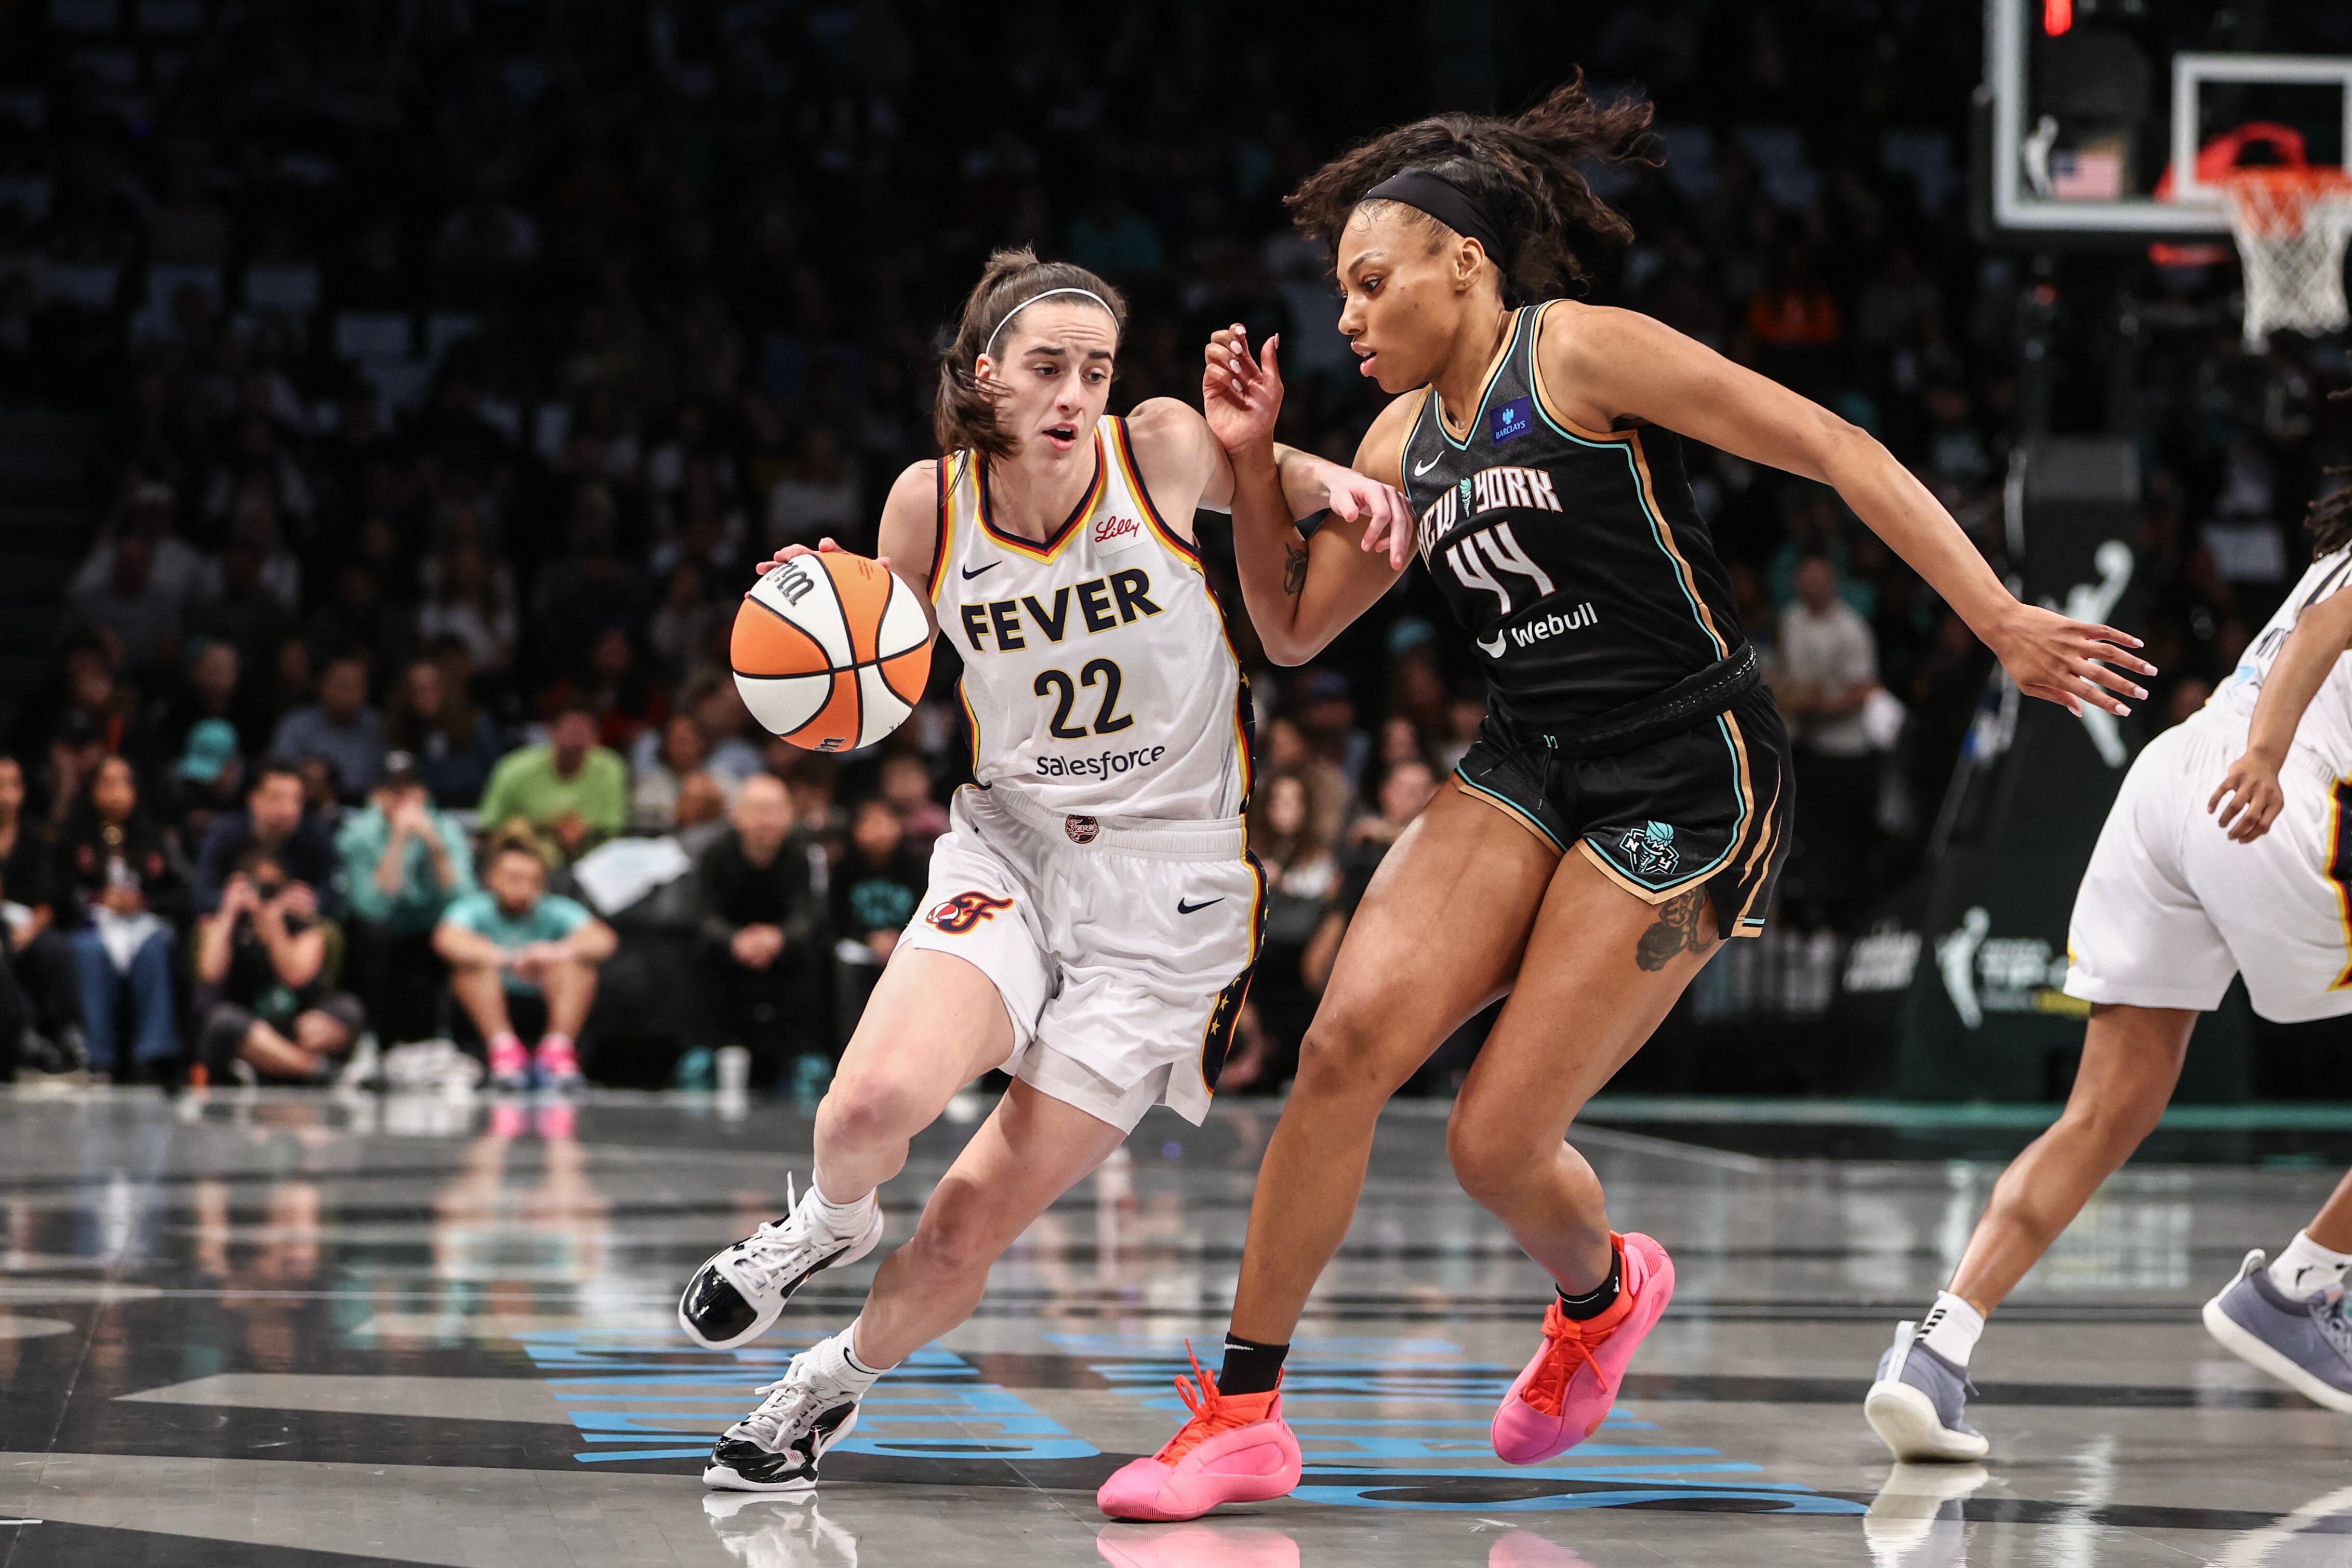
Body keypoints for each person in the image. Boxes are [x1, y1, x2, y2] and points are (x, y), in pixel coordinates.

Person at [1100, 79, 2150, 1521]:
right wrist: (1246, 466)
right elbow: (1288, 630)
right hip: (1530, 754)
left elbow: (1830, 446)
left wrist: (1995, 618)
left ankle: (1597, 1298)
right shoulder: (1396, 441)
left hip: (1688, 758)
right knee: (1342, 1040)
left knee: (1489, 1145)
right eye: (1334, 290)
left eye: (1367, 278)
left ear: (1461, 261)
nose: (1342, 314)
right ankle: (1240, 1412)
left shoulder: (1580, 353)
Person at [675, 247, 1396, 1494]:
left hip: (1167, 904)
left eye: (1096, 368)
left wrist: (1336, 479)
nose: (1076, 393)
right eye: (1048, 367)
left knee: (963, 1226)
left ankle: (823, 1386)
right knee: (860, 1112)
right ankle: (827, 1224)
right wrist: (809, 619)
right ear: (984, 375)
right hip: (1009, 846)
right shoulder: (927, 504)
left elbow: (1267, 472)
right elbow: (871, 682)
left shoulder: (1157, 447)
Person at [1865, 480, 2352, 1459]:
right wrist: (2264, 757)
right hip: (2267, 792)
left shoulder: (2329, 553)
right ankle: (2300, 1285)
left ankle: (1936, 1349)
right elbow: (2323, 637)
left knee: (2102, 1109)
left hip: (2173, 779)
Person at [433, 837, 617, 1091]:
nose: (524, 889)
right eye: (514, 878)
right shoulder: (474, 909)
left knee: (578, 965)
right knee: (472, 965)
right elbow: (447, 940)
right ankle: (505, 1052)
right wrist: (507, 958)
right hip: (492, 1004)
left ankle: (557, 1052)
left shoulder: (556, 909)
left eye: (533, 881)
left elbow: (603, 940)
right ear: (492, 878)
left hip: (546, 1002)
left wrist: (555, 952)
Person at [56, 755, 191, 1080]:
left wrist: (144, 901)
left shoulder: (155, 836)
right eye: (108, 783)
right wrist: (98, 898)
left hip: (142, 923)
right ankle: (98, 1056)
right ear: (93, 791)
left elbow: (181, 894)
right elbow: (58, 892)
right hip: (92, 925)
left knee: (155, 951)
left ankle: (153, 1053)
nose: (117, 792)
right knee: (91, 953)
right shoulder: (75, 837)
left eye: (125, 783)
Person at [1772, 553, 1883, 930]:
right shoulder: (1791, 619)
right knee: (1806, 837)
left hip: (1845, 752)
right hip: (1805, 746)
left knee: (1842, 842)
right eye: (1807, 580)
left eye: (1820, 580)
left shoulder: (1850, 629)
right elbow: (1789, 675)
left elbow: (1865, 688)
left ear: (1833, 583)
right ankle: (1806, 916)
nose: (1813, 587)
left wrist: (1824, 706)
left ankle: (1846, 921)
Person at [336, 753, 476, 1045]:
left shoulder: (446, 829)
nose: (402, 800)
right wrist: (398, 841)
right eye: (392, 791)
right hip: (386, 932)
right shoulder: (359, 833)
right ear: (376, 795)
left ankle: (449, 1039)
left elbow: (464, 899)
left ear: (423, 793)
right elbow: (371, 906)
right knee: (372, 934)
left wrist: (435, 847)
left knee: (458, 934)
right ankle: (372, 1037)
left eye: (409, 790)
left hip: (430, 928)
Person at [694, 774, 824, 1086]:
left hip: (780, 951)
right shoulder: (715, 854)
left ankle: (805, 1056)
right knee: (699, 951)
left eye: (777, 810)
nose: (769, 820)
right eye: (759, 810)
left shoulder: (798, 855)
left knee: (814, 951)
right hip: (731, 948)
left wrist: (777, 938)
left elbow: (806, 914)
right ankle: (701, 1052)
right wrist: (735, 940)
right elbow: (705, 916)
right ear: (737, 815)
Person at [192, 851, 366, 1084]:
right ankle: (318, 1071)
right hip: (248, 1032)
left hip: (295, 1027)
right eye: (257, 887)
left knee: (348, 1010)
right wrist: (229, 910)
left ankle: (284, 1064)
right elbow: (210, 973)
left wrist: (274, 925)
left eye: (272, 888)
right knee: (222, 1022)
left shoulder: (304, 926)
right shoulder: (220, 923)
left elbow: (296, 977)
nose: (263, 896)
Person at [0, 754, 84, 1071]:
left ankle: (69, 1033)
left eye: (12, 784)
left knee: (54, 948)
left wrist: (30, 931)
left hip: (25, 921)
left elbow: (48, 900)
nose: (6, 793)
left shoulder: (34, 839)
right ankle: (25, 1036)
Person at [476, 700, 628, 863]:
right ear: (551, 732)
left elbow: (614, 830)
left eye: (584, 732)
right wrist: (542, 829)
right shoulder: (514, 768)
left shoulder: (612, 769)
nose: (576, 741)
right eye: (571, 732)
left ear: (597, 737)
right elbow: (488, 827)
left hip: (591, 862)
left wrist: (581, 831)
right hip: (523, 860)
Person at [190, 758, 336, 916]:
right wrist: (234, 900)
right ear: (254, 799)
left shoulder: (315, 836)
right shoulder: (223, 835)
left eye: (297, 800)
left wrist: (312, 901)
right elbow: (200, 895)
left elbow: (332, 890)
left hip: (294, 923)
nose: (288, 810)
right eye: (277, 798)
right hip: (234, 920)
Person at [385, 656, 504, 808]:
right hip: (425, 813)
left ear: (445, 689)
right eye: (416, 692)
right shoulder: (402, 731)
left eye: (430, 689)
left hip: (475, 809)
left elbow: (498, 774)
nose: (424, 698)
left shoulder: (476, 725)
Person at [268, 653, 389, 799]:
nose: (347, 694)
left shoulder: (377, 726)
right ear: (322, 686)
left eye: (355, 686)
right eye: (341, 685)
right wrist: (305, 771)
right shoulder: (297, 724)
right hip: (308, 808)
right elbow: (278, 770)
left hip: (366, 808)